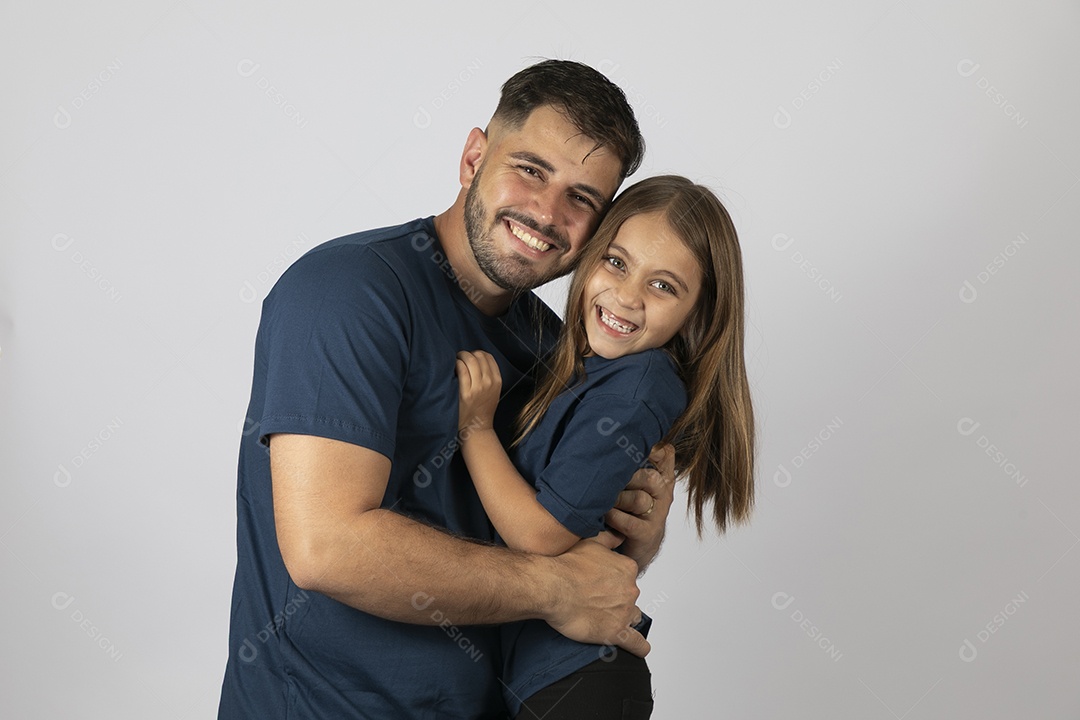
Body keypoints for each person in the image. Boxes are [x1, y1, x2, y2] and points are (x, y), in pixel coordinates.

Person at [217, 60, 679, 719]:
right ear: (473, 158)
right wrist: (554, 589)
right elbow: (327, 547)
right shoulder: (347, 293)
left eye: (582, 198)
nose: (548, 212)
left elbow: (566, 555)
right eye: (531, 169)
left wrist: (639, 534)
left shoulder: (562, 351)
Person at [455, 175, 756, 719]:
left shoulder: (639, 388)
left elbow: (541, 535)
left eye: (663, 286)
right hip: (535, 679)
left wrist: (475, 430)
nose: (626, 295)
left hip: (576, 685)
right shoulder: (584, 370)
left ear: (699, 314)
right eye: (616, 262)